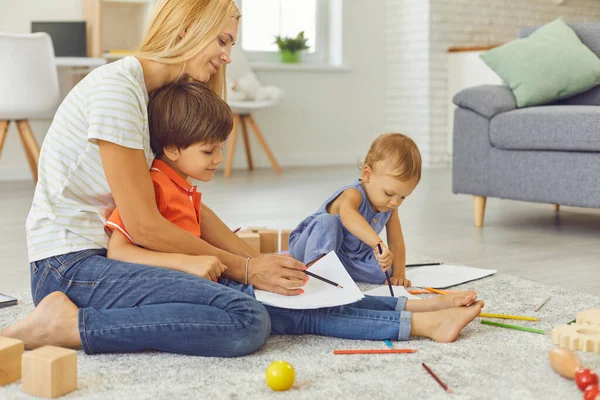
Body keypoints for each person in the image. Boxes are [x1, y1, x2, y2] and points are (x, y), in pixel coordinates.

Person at [0, 0, 305, 357]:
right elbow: (143, 225)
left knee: (240, 293)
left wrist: (255, 261)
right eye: (222, 41)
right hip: (68, 267)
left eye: (231, 44)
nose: (228, 56)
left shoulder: (156, 97)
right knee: (245, 318)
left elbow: (187, 203)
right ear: (186, 30)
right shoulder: (118, 90)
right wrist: (247, 268)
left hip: (116, 258)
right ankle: (65, 325)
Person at [104, 78, 485, 346]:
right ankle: (419, 324)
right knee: (307, 315)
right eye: (209, 151)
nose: (219, 160)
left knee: (316, 293)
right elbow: (119, 252)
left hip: (223, 282)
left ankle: (420, 306)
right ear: (171, 148)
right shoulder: (150, 187)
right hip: (203, 291)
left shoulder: (183, 189)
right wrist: (189, 265)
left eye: (220, 148)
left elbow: (216, 242)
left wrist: (257, 262)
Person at [289, 134, 421, 287]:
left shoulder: (390, 207)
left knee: (382, 271)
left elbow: (396, 241)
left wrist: (399, 274)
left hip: (346, 255)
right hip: (312, 244)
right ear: (367, 175)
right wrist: (378, 244)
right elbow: (348, 216)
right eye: (389, 194)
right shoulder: (353, 194)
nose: (395, 202)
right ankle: (316, 273)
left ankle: (335, 270)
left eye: (403, 197)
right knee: (327, 221)